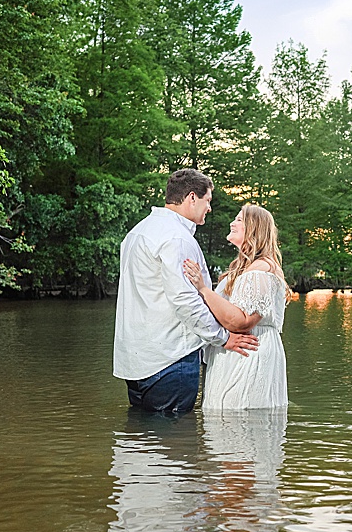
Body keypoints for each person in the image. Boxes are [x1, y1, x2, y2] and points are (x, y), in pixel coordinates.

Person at [113, 168, 259, 414]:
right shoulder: (177, 238)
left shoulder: (137, 232)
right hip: (170, 359)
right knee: (176, 444)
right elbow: (185, 301)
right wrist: (223, 338)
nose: (209, 209)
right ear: (192, 198)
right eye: (207, 201)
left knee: (143, 442)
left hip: (136, 360)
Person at [182, 203, 290, 410]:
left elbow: (241, 321)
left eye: (239, 219)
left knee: (240, 420)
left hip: (248, 352)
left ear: (254, 228)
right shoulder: (246, 267)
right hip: (239, 351)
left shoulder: (261, 268)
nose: (232, 223)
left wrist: (203, 289)